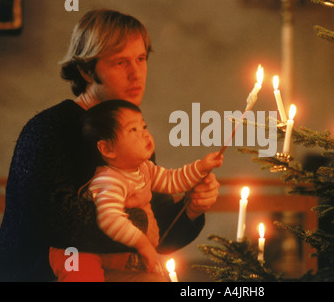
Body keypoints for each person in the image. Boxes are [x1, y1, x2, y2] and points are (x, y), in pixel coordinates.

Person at [0, 9, 221, 282]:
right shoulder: (48, 129)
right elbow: (59, 224)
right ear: (86, 70)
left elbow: (158, 236)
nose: (136, 74)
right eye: (120, 62)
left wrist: (191, 209)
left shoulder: (131, 130)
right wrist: (140, 223)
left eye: (141, 59)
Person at [49, 100, 223, 281]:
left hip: (112, 251)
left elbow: (172, 180)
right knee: (85, 277)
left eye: (144, 127)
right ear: (107, 148)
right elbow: (111, 219)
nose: (145, 135)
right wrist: (143, 244)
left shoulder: (145, 169)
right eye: (133, 130)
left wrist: (201, 168)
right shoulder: (108, 180)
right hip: (76, 251)